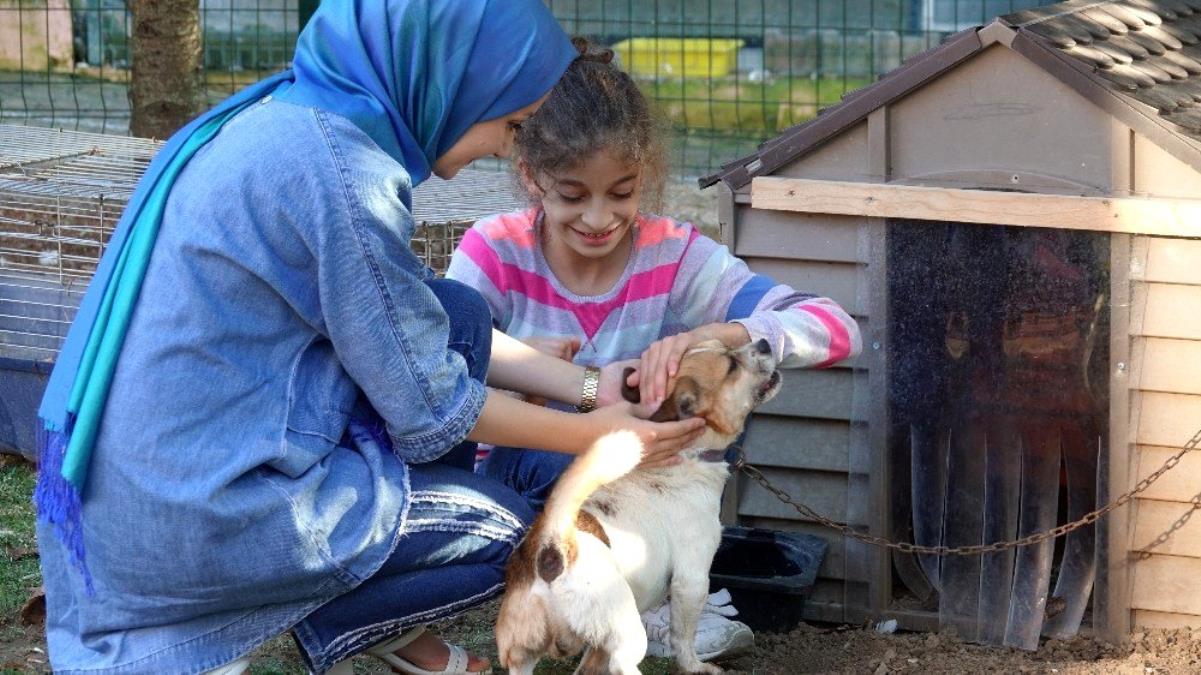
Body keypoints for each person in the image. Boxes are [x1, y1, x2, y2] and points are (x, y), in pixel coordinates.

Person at [32, 4, 706, 674]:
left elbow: (411, 320)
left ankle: (343, 601)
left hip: (145, 496)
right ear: (448, 77)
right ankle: (316, 606)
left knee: (460, 315)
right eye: (511, 124)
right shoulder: (343, 177)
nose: (507, 146)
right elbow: (434, 408)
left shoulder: (290, 118)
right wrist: (606, 439)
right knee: (508, 532)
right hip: (207, 516)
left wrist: (588, 385)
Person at [445, 40, 863, 661]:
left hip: (648, 494)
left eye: (622, 192)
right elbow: (432, 377)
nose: (598, 218)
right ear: (532, 177)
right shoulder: (494, 250)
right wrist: (524, 369)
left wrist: (716, 337)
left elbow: (834, 327)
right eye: (571, 195)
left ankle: (655, 602)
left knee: (717, 401)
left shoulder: (675, 254)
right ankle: (612, 603)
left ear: (647, 178)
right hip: (523, 485)